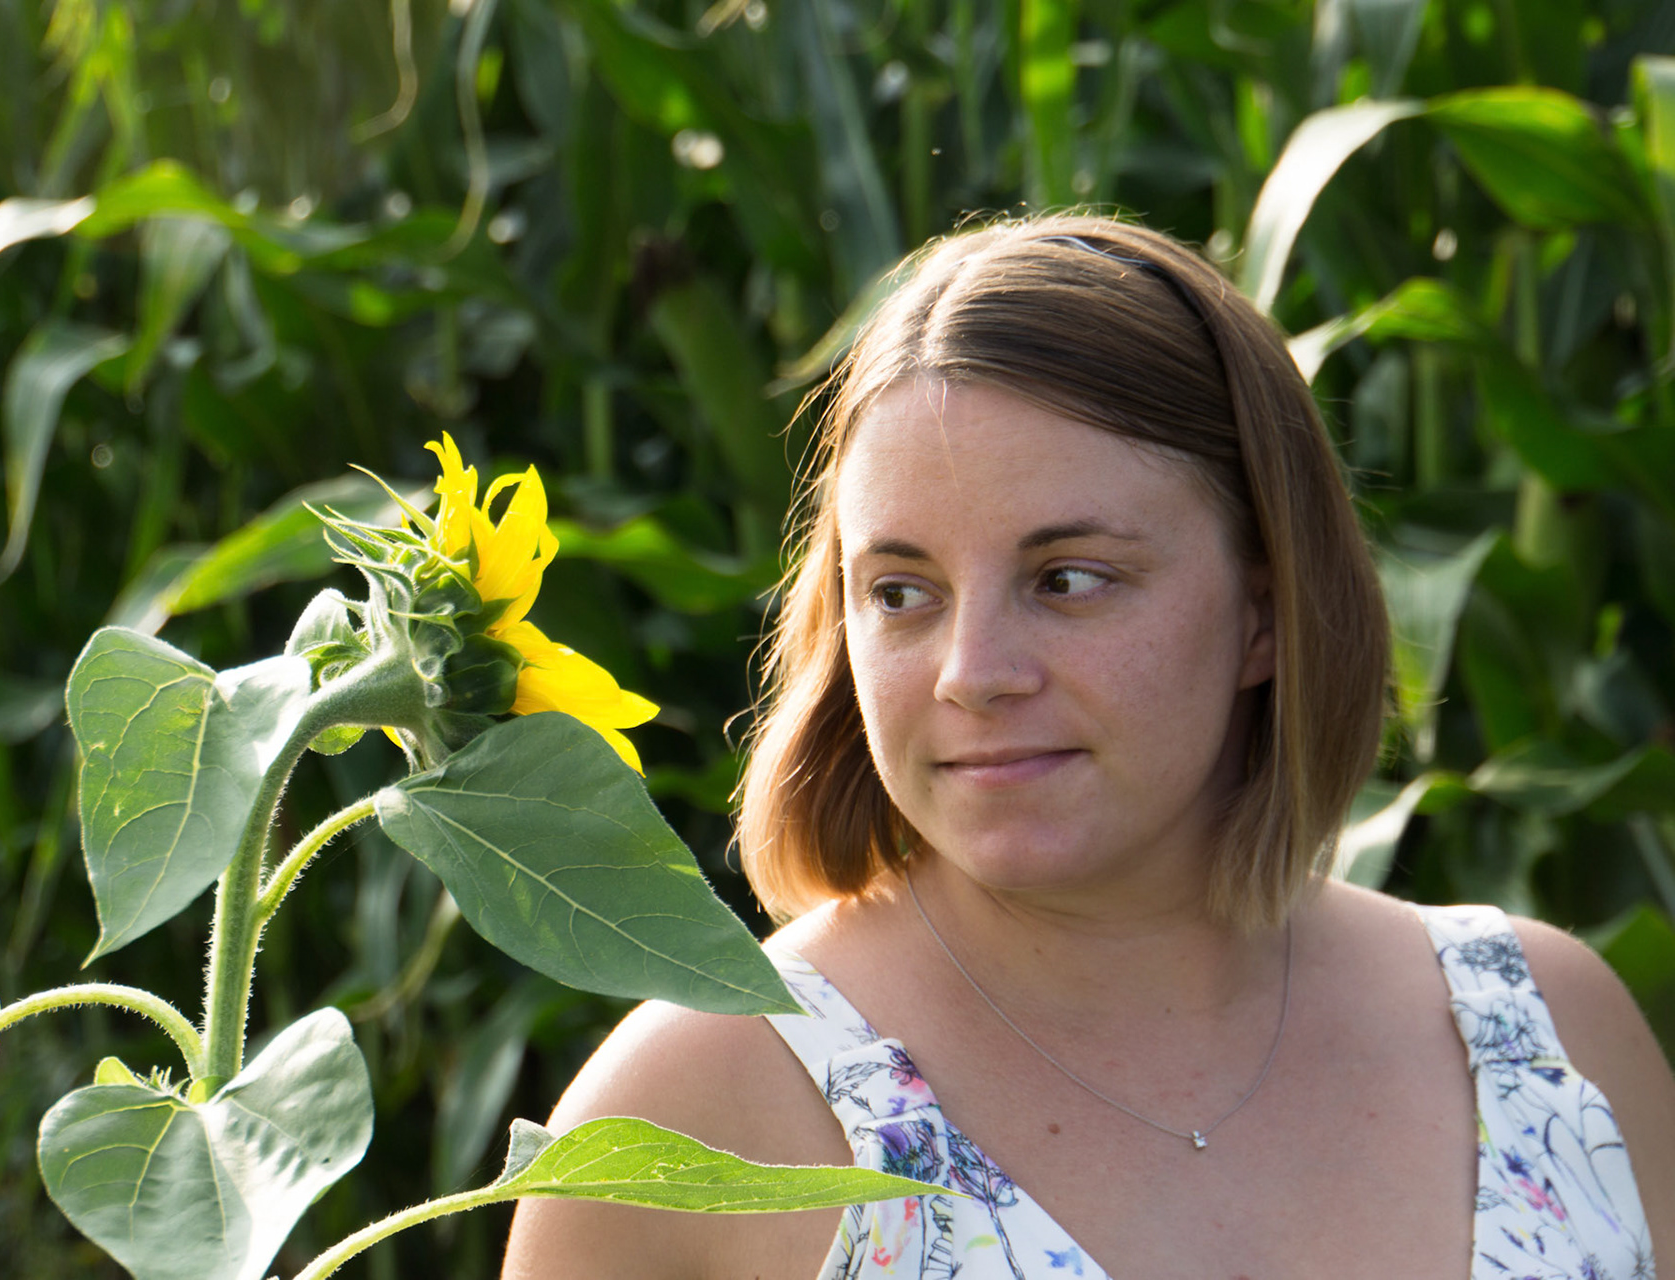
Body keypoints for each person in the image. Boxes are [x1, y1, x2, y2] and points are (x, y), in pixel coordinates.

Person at [499, 214, 1675, 1279]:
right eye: (902, 592)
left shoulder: (1551, 1038)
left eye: (1069, 579)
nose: (972, 672)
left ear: (1265, 609)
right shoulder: (687, 1121)